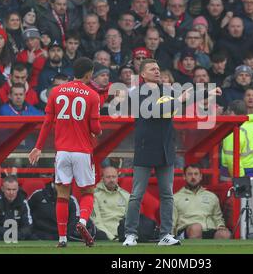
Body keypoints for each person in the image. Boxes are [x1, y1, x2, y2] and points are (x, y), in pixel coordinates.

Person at [122, 58, 204, 247]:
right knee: (137, 194)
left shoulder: (167, 91)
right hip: (145, 147)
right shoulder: (137, 93)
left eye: (158, 68)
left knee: (167, 194)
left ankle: (165, 234)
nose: (157, 71)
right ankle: (130, 234)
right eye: (152, 69)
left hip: (165, 149)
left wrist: (208, 93)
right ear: (143, 74)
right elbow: (152, 111)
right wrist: (179, 100)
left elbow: (188, 96)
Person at [28, 57, 102, 248]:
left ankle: (62, 239)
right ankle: (83, 222)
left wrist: (38, 147)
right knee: (88, 192)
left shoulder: (56, 91)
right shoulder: (92, 95)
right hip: (82, 151)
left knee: (62, 194)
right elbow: (95, 127)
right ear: (89, 74)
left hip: (62, 152)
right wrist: (98, 130)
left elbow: (47, 122)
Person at [173, 165, 230, 240]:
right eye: (190, 174)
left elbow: (217, 217)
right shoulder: (175, 198)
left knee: (224, 234)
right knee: (196, 228)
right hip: (187, 231)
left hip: (210, 229)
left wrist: (221, 226)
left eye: (196, 174)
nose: (193, 177)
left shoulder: (211, 196)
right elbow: (172, 221)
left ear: (200, 177)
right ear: (184, 177)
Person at [221, 100, 253, 177]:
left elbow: (231, 159)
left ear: (231, 112)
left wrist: (240, 179)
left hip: (244, 171)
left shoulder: (233, 130)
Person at [0, 175, 33, 241]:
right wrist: (9, 233)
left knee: (32, 237)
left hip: (18, 235)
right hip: (0, 235)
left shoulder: (23, 202)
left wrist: (19, 234)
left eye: (14, 189)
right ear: (3, 189)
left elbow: (28, 225)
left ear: (18, 189)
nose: (11, 192)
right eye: (8, 189)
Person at [92, 166, 130, 241]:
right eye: (108, 177)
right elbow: (96, 221)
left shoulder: (126, 195)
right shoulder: (94, 195)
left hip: (123, 235)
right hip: (103, 236)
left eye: (114, 177)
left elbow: (130, 220)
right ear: (102, 178)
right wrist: (112, 237)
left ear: (117, 178)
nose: (111, 180)